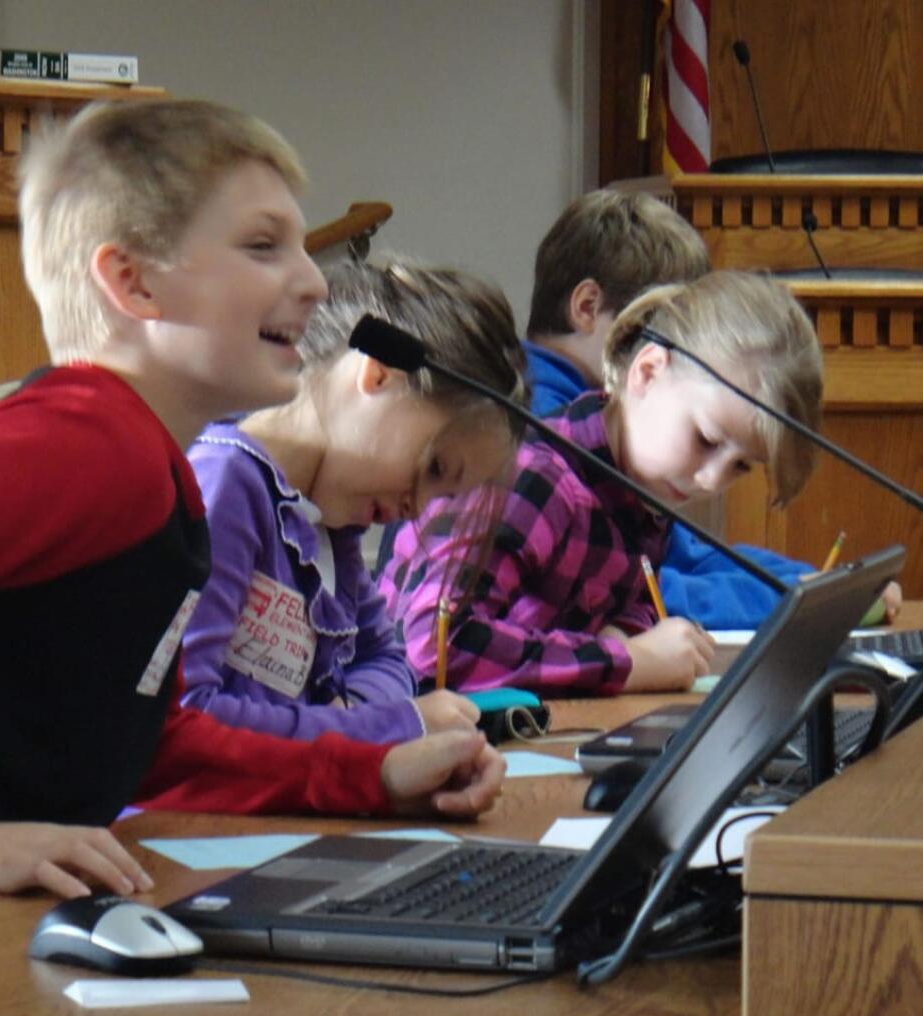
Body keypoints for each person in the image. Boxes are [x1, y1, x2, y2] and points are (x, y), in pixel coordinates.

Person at [0, 99, 504, 943]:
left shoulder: (155, 471)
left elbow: (150, 743)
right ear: (133, 282)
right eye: (261, 244)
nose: (315, 279)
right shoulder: (92, 443)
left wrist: (374, 773)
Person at [380, 270, 825, 696]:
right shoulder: (536, 476)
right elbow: (434, 647)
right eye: (705, 439)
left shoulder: (639, 495)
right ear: (647, 372)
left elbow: (619, 605)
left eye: (741, 466)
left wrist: (626, 631)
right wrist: (626, 661)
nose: (711, 479)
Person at [180, 256, 525, 744]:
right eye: (435, 469)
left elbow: (388, 660)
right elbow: (189, 716)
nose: (418, 509)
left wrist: (352, 711)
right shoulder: (224, 485)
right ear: (379, 376)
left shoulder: (331, 522)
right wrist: (367, 726)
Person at [520, 188, 827, 630]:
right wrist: (793, 596)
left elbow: (689, 553)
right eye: (654, 325)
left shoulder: (624, 439)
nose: (711, 479)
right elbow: (636, 589)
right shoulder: (533, 430)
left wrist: (806, 583)